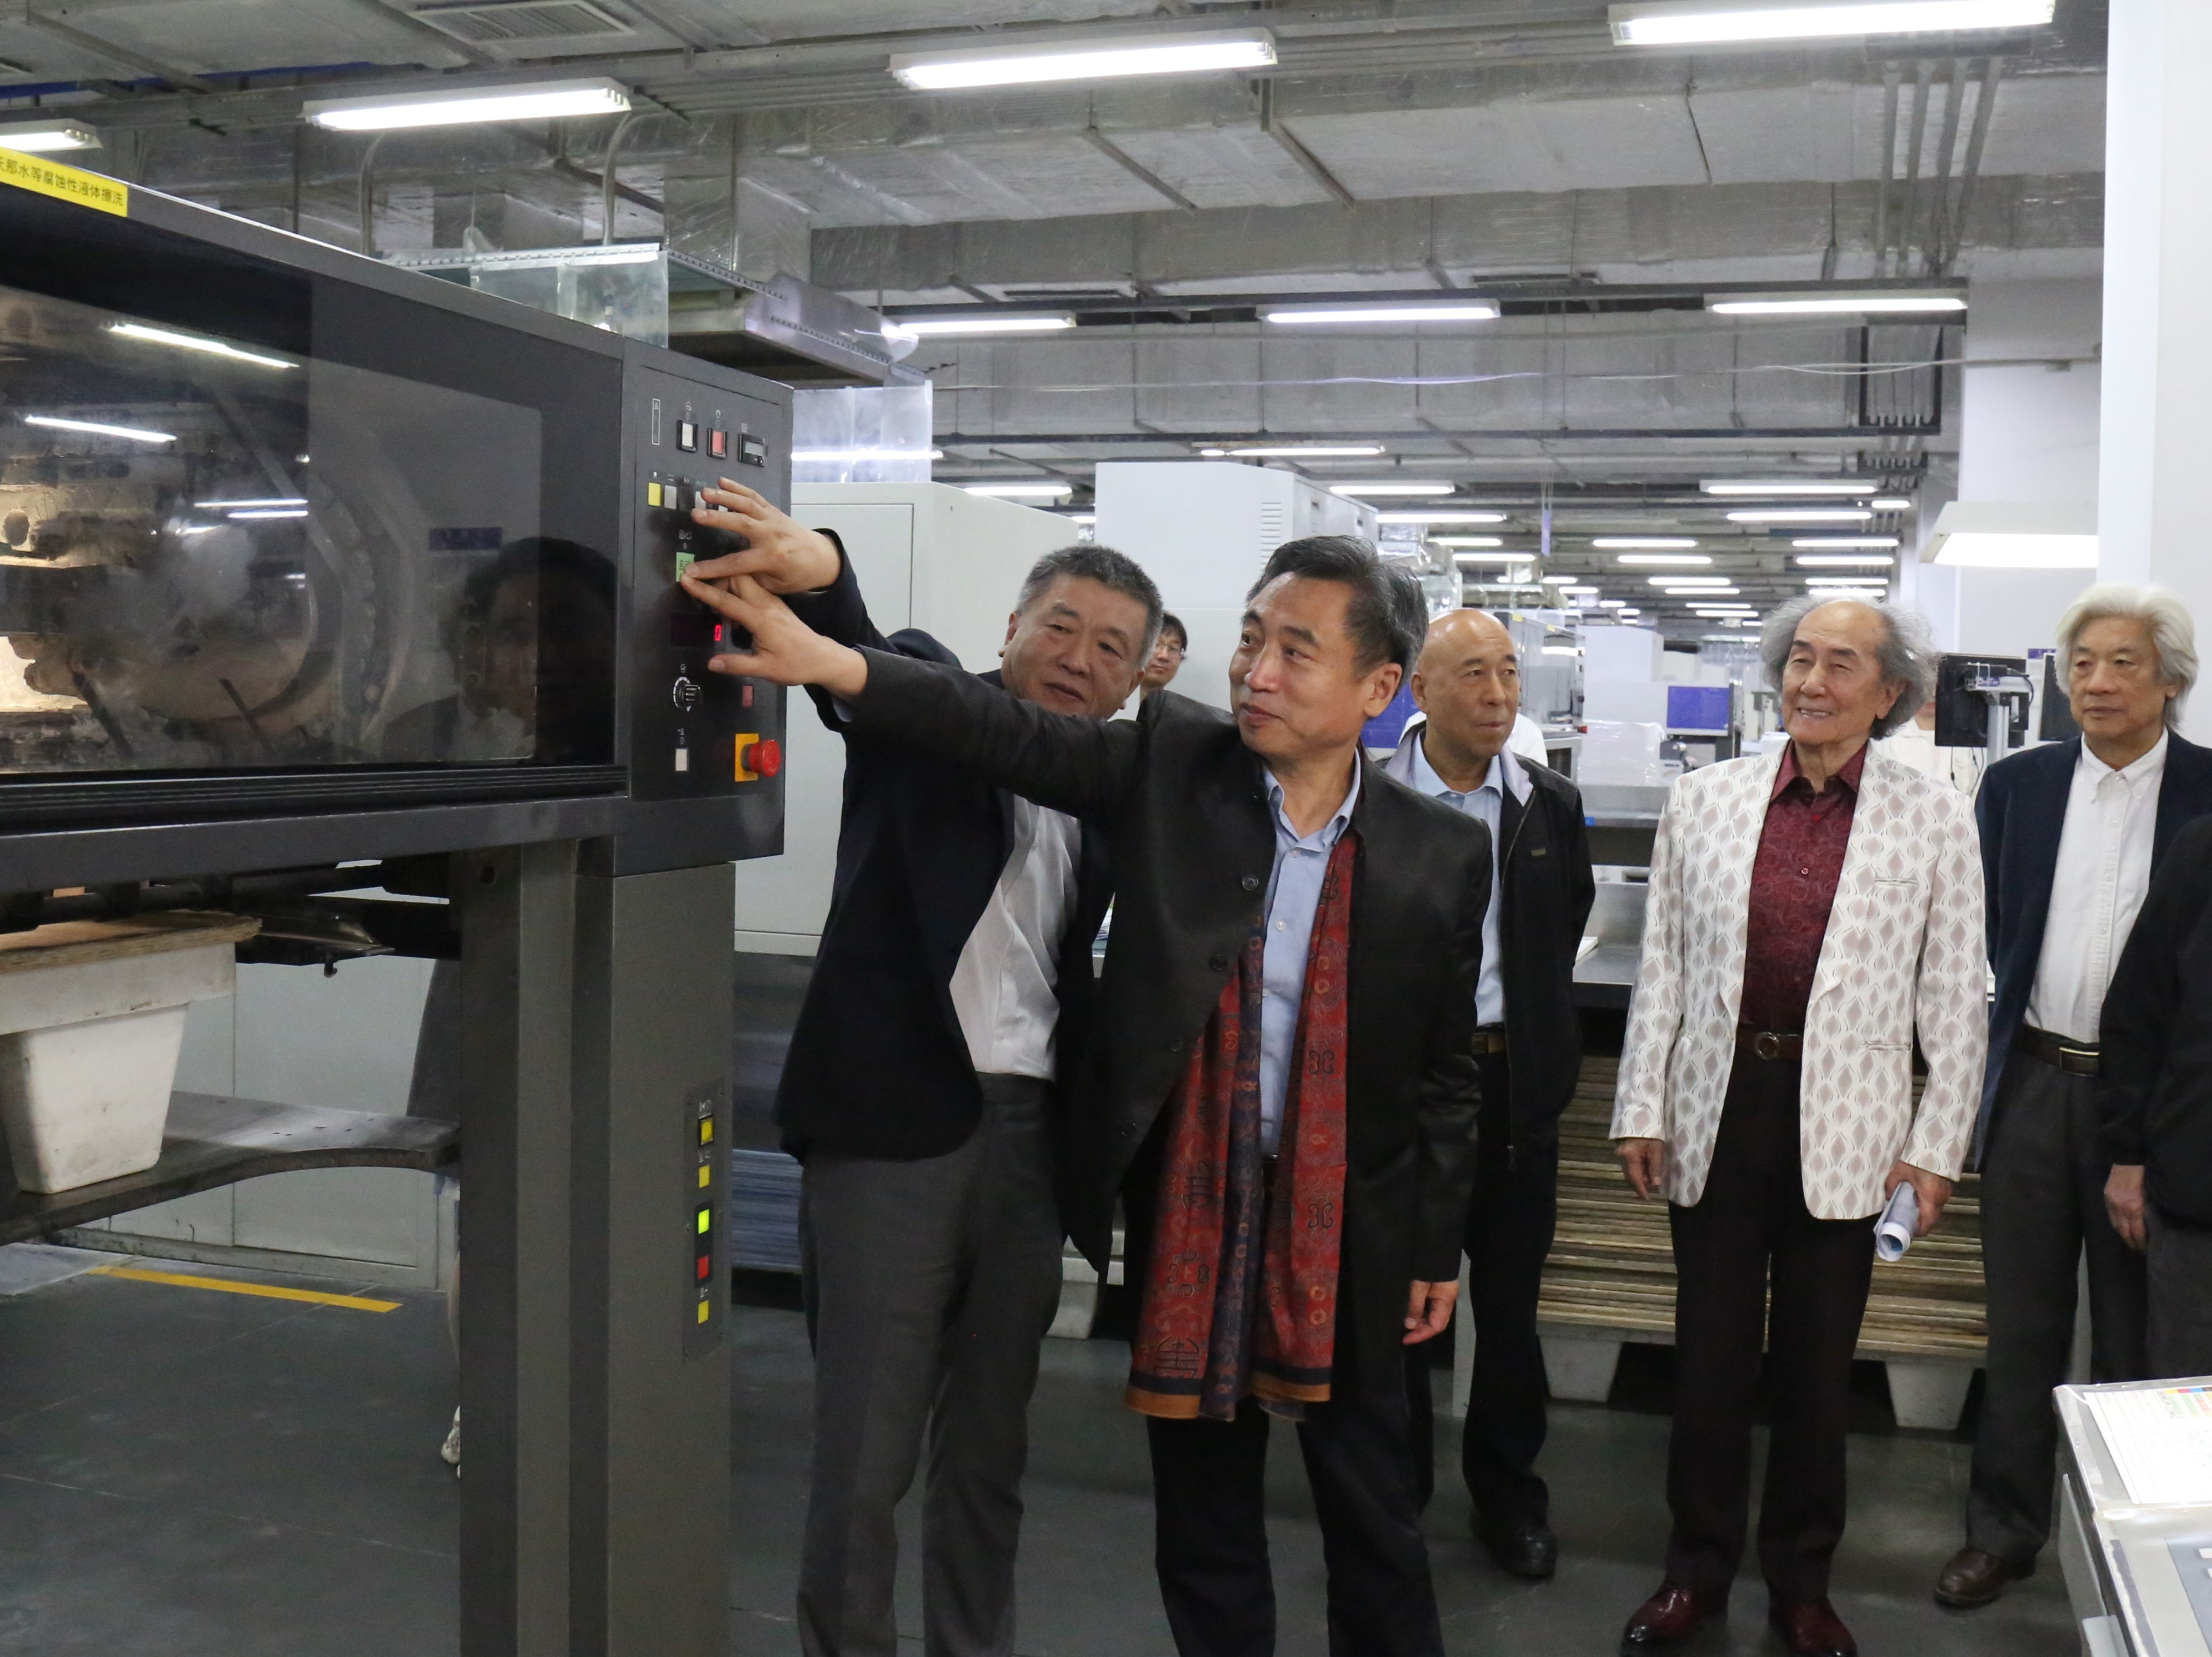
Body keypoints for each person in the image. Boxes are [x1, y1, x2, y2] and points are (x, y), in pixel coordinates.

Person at [681, 530, 1489, 1657]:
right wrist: (832, 633)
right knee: (918, 1463)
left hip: (1218, 1183)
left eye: (1294, 651)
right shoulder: (1151, 764)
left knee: (1340, 1491)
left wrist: (1431, 1239)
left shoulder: (1406, 842)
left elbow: (1445, 1064)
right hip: (1060, 1168)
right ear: (1012, 626)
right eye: (1248, 640)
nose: (1257, 672)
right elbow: (964, 715)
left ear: (1375, 686)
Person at [688, 480, 1160, 1657]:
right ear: (1010, 628)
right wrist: (826, 569)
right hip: (893, 1132)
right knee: (864, 1458)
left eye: (1111, 648)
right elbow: (864, 663)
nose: (1078, 659)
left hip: (1029, 1147)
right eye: (1059, 626)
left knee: (989, 1457)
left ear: (1136, 678)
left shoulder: (1110, 789)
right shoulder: (933, 710)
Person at [1610, 595, 1984, 1657]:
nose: (1812, 683)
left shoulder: (1934, 816)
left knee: (1818, 1377)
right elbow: (1663, 966)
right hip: (1718, 1107)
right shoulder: (1706, 799)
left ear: (1889, 691)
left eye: (1840, 665)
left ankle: (1802, 1585)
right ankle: (1693, 1571)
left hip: (1851, 1128)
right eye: (1800, 660)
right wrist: (1641, 1103)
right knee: (1709, 1363)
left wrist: (1933, 1147)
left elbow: (1954, 997)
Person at [1936, 583, 2212, 1609]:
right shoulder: (2017, 787)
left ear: (2170, 680)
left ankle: (2138, 1557)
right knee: (2021, 1325)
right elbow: (1982, 929)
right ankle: (2002, 1532)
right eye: (2081, 662)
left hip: (2156, 1111)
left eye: (2122, 662)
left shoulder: (2206, 794)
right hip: (2034, 1084)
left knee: (2142, 1346)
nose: (2096, 681)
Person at [1385, 608, 1595, 1579]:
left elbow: (1561, 929)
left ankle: (1508, 1500)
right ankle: (1392, 1500)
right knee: (1394, 1305)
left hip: (1511, 1087)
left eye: (1508, 672)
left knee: (1507, 1313)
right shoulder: (1370, 795)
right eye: (1472, 673)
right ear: (1417, 689)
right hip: (1400, 1090)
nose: (1498, 693)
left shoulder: (1546, 804)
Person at [2099, 812, 2212, 1378]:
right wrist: (2128, 1154)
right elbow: (2138, 1013)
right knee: (2186, 1408)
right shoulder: (2200, 850)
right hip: (2196, 1209)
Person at [1140, 611, 1187, 699]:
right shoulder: (1115, 702)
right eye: (1156, 645)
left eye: (1173, 648)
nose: (1164, 656)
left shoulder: (1176, 707)